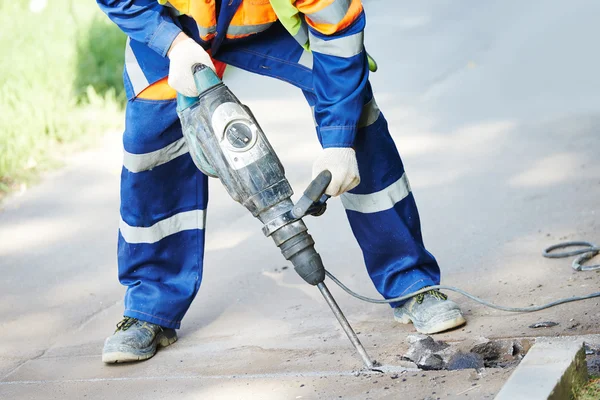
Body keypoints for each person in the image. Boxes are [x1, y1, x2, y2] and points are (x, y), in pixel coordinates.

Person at [97, 0, 466, 364]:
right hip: (173, 27)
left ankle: (412, 283)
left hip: (272, 26)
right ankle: (150, 309)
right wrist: (172, 44)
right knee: (150, 143)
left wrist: (338, 142)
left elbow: (337, 31)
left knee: (355, 116)